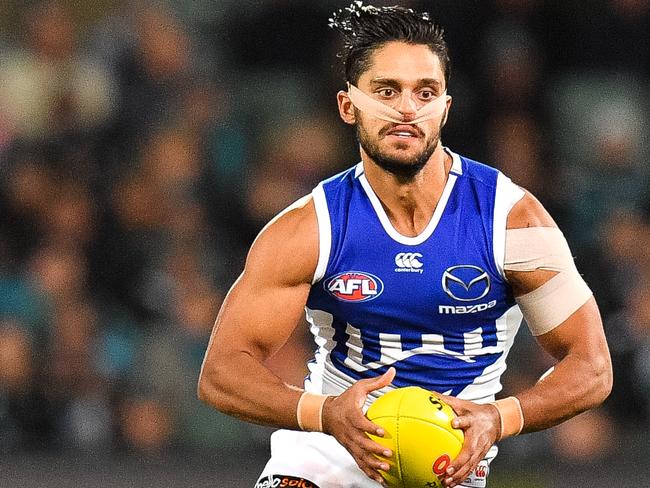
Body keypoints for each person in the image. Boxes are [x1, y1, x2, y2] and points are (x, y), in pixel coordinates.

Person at [198, 3, 612, 487]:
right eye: (387, 90)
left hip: (446, 467)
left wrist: (500, 419)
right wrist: (326, 413)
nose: (407, 109)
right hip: (329, 454)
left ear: (446, 107)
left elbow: (592, 366)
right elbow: (222, 372)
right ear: (347, 105)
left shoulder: (512, 221)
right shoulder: (310, 227)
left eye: (426, 92)